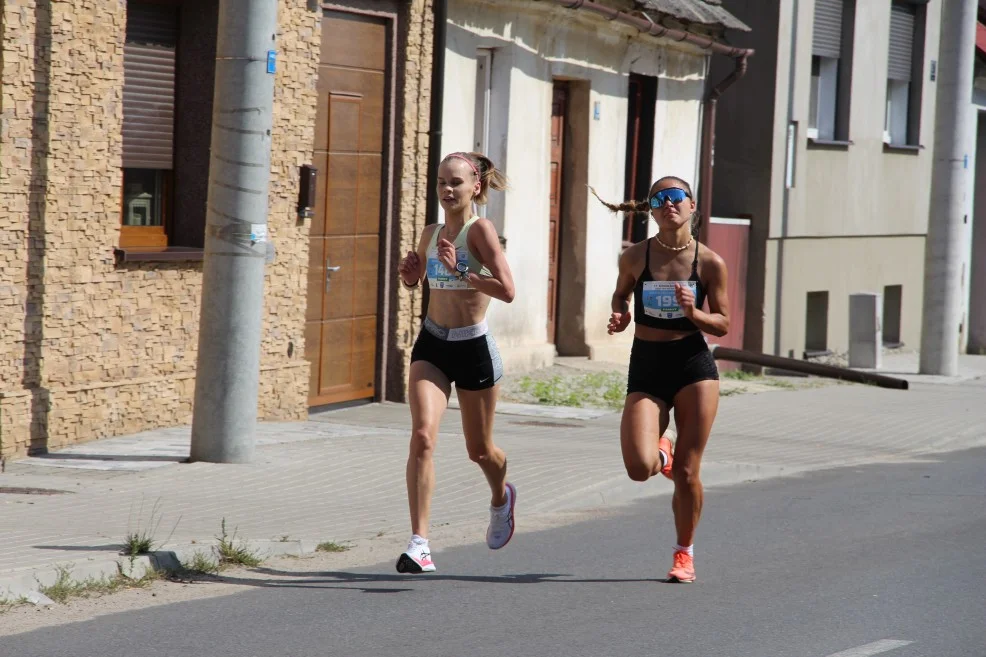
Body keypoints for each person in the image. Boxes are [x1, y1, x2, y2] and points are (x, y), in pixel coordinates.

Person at [593, 176, 730, 583]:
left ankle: (683, 553)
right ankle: (661, 453)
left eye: (676, 197)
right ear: (651, 210)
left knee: (688, 472)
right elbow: (620, 294)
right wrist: (621, 314)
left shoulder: (709, 263)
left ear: (691, 207)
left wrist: (696, 315)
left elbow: (722, 323)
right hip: (647, 364)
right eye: (659, 199)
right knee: (639, 466)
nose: (668, 204)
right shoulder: (636, 257)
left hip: (692, 366)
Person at [394, 151, 517, 574]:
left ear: (475, 187)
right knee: (423, 437)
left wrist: (461, 267)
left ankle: (501, 498)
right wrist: (410, 274)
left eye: (457, 183)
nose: (448, 190)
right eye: (442, 183)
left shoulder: (480, 230)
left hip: (472, 347)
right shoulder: (430, 232)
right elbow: (420, 282)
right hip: (432, 345)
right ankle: (420, 544)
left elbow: (507, 289)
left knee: (479, 451)